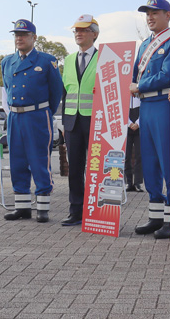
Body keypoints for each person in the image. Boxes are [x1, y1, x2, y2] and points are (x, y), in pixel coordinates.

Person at [2, 19, 62, 223]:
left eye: (24, 35)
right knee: (17, 161)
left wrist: (44, 111)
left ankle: (43, 207)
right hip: (15, 116)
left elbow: (55, 93)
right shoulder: (7, 62)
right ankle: (22, 207)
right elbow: (8, 90)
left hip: (37, 116)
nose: (19, 38)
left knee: (38, 161)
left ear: (34, 37)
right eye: (16, 35)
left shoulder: (46, 61)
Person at [129, 0, 170, 239]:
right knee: (150, 161)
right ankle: (155, 215)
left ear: (168, 15)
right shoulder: (145, 44)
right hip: (146, 106)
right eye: (148, 13)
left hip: (164, 104)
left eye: (155, 12)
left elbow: (169, 74)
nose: (150, 17)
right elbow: (135, 74)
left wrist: (140, 85)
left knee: (167, 161)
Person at [60, 15, 99, 226]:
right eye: (76, 30)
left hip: (96, 121)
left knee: (97, 168)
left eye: (83, 30)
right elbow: (66, 93)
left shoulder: (104, 58)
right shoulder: (67, 60)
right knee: (74, 168)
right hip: (73, 122)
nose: (78, 33)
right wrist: (65, 124)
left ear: (94, 34)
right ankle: (76, 211)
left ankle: (97, 210)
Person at [125, 95, 143, 192]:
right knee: (126, 155)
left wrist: (138, 123)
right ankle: (128, 181)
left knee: (139, 154)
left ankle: (138, 182)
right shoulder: (123, 90)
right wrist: (129, 123)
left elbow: (144, 106)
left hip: (139, 126)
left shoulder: (139, 89)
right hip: (126, 126)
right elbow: (121, 107)